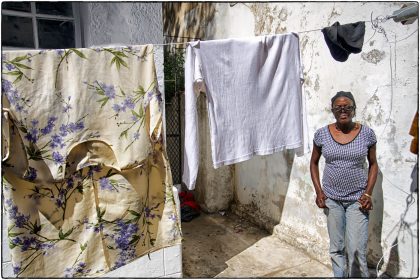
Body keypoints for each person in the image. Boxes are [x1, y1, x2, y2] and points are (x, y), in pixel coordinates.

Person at [310, 91, 379, 278]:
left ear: (354, 109)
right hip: (332, 200)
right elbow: (313, 163)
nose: (343, 110)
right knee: (337, 249)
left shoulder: (367, 134)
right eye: (338, 107)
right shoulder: (322, 134)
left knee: (356, 251)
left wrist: (368, 194)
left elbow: (373, 165)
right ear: (332, 110)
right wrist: (319, 191)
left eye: (347, 106)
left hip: (358, 201)